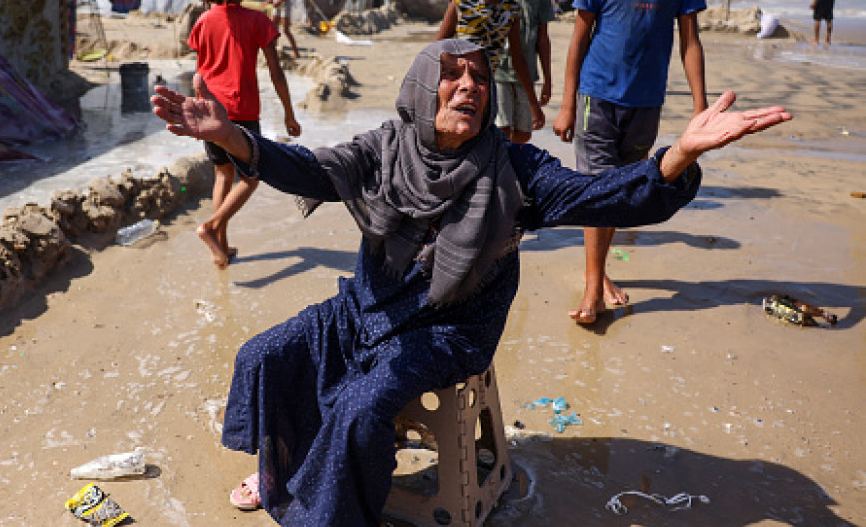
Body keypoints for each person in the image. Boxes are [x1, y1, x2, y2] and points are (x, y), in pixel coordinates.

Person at [150, 38, 790, 526]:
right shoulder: (385, 147)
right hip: (366, 309)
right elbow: (311, 169)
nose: (468, 87)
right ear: (422, 87)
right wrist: (232, 135)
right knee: (263, 353)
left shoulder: (515, 168)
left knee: (362, 404)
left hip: (452, 332)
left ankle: (334, 511)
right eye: (451, 76)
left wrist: (676, 157)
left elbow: (603, 196)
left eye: (480, 78)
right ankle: (283, 466)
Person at [552, 0, 709, 324]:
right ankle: (592, 287)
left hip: (646, 103)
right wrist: (566, 104)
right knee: (597, 190)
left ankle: (599, 273)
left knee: (620, 191)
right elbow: (578, 42)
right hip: (597, 97)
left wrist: (700, 109)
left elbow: (691, 43)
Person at [185, 0, 302, 268]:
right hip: (240, 112)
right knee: (251, 178)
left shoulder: (204, 21)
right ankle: (211, 227)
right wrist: (290, 114)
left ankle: (220, 247)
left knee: (222, 174)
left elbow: (202, 68)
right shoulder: (257, 20)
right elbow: (276, 72)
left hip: (208, 112)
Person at [435, 0, 545, 136]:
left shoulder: (511, 10)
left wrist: (533, 102)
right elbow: (436, 50)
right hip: (456, 89)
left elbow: (518, 59)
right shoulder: (461, 3)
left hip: (484, 89)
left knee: (485, 139)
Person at [494, 0, 554, 144]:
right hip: (497, 74)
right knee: (500, 131)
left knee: (523, 133)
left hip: (527, 75)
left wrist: (548, 79)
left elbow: (543, 40)